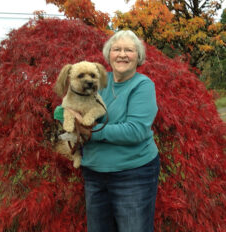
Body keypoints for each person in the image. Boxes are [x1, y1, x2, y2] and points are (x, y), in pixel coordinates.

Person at [54, 30, 160, 232]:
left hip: (133, 173)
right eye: (116, 49)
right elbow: (72, 104)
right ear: (108, 54)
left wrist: (90, 132)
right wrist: (64, 114)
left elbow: (135, 131)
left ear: (138, 56)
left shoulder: (143, 85)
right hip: (94, 172)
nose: (122, 54)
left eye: (129, 50)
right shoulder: (98, 80)